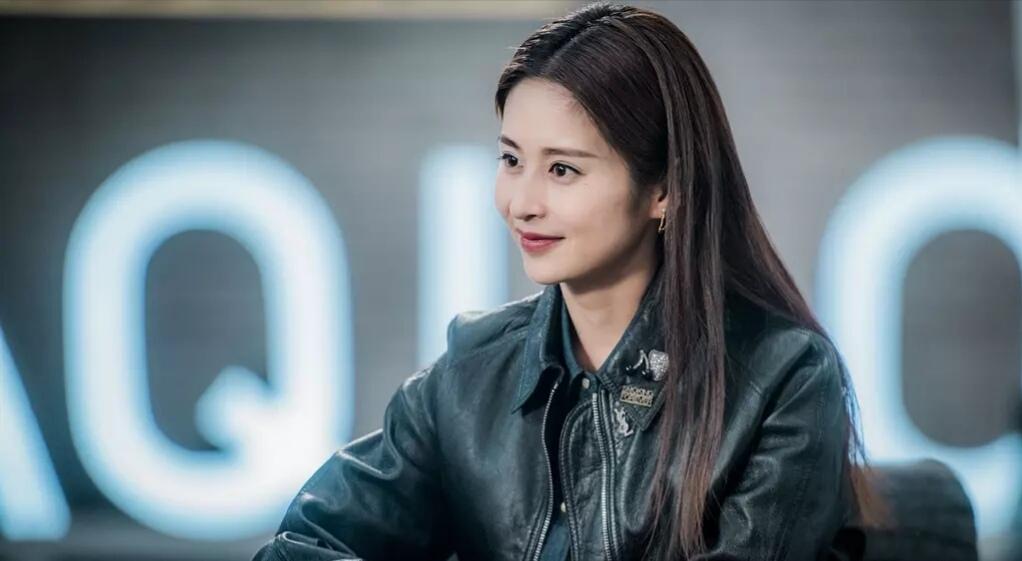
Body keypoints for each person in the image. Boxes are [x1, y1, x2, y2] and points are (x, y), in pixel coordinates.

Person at [252, 2, 887, 560]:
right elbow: (307, 545)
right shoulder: (469, 376)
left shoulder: (783, 378)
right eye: (511, 160)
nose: (522, 203)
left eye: (562, 170)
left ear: (664, 188)